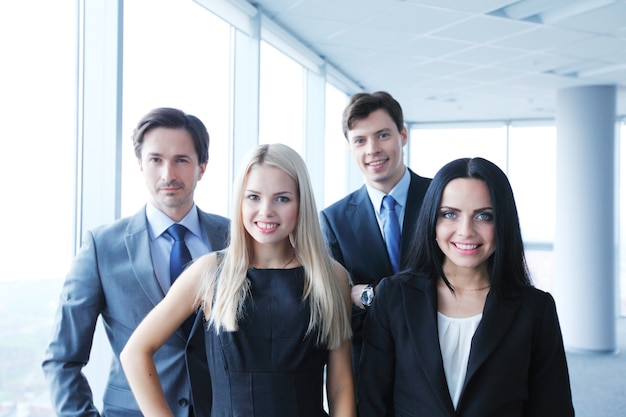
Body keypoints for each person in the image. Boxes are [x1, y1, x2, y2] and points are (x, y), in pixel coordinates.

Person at [120, 143, 356, 417]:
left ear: (301, 203)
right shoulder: (208, 271)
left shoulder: (330, 276)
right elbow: (135, 353)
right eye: (253, 197)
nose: (266, 211)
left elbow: (340, 384)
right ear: (239, 201)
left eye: (282, 198)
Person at [42, 107, 230, 417]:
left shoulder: (235, 240)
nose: (168, 174)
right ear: (140, 165)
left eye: (181, 160)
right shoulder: (101, 247)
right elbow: (62, 359)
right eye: (156, 160)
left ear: (202, 167)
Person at [357, 157, 575, 416]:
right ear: (432, 222)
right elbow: (372, 403)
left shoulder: (536, 309)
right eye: (450, 214)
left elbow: (553, 407)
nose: (466, 231)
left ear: (502, 223)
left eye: (484, 216)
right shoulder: (394, 296)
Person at [320, 91, 431, 376]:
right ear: (350, 147)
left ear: (402, 135)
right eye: (360, 140)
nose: (372, 149)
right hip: (370, 370)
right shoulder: (334, 219)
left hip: (439, 358)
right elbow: (337, 306)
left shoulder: (440, 199)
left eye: (382, 135)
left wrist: (366, 294)